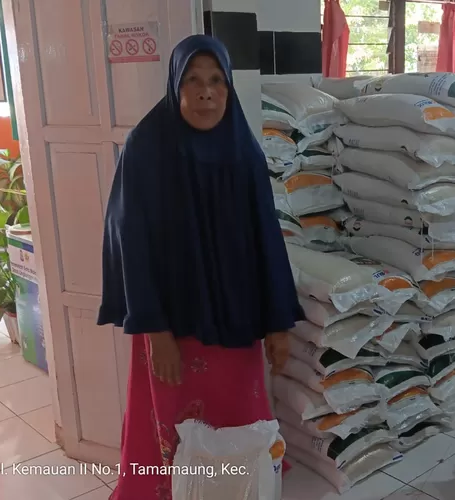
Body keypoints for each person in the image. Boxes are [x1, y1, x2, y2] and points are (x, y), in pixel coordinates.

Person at [97, 35, 303, 499]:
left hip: (237, 324)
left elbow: (266, 239)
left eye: (216, 81)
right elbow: (132, 243)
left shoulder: (243, 151)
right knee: (172, 436)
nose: (206, 93)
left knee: (238, 425)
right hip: (172, 328)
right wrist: (156, 333)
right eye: (192, 80)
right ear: (175, 85)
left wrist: (277, 324)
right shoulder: (146, 147)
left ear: (228, 88)